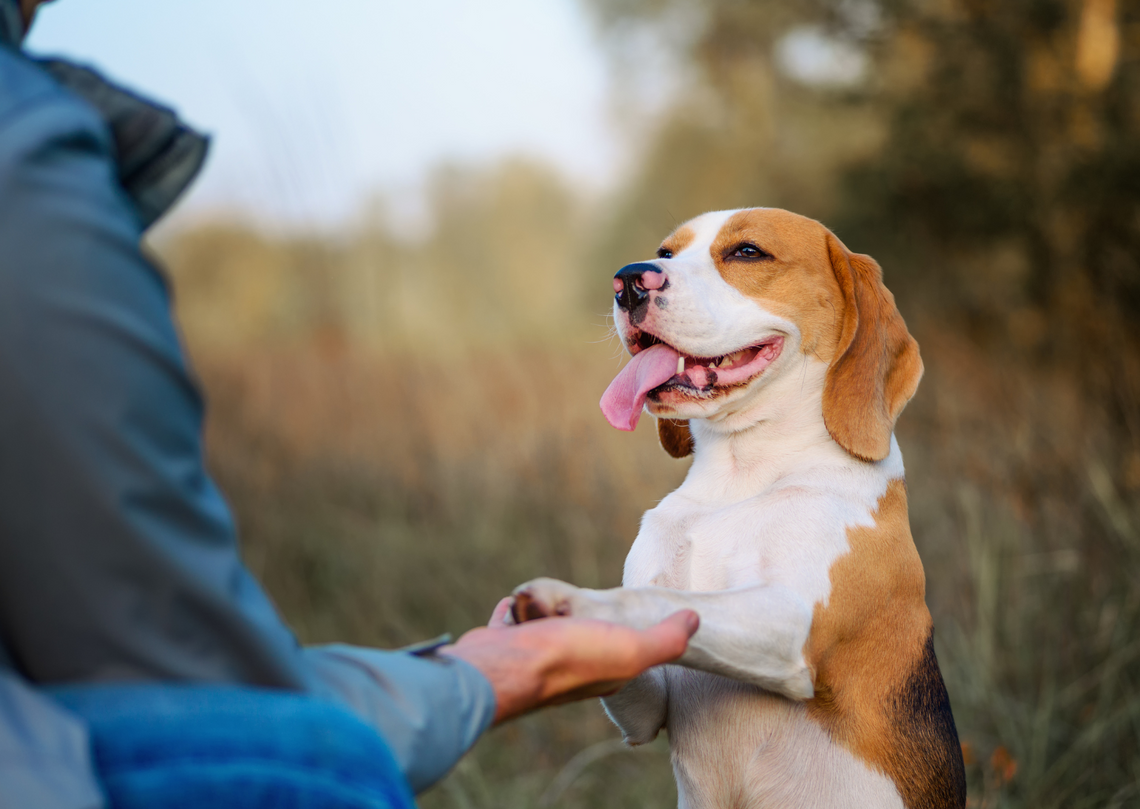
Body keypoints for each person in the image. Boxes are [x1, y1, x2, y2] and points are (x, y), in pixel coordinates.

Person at [0, 2, 699, 807]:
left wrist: (476, 674)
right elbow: (215, 704)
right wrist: (493, 679)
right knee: (309, 765)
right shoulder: (26, 153)